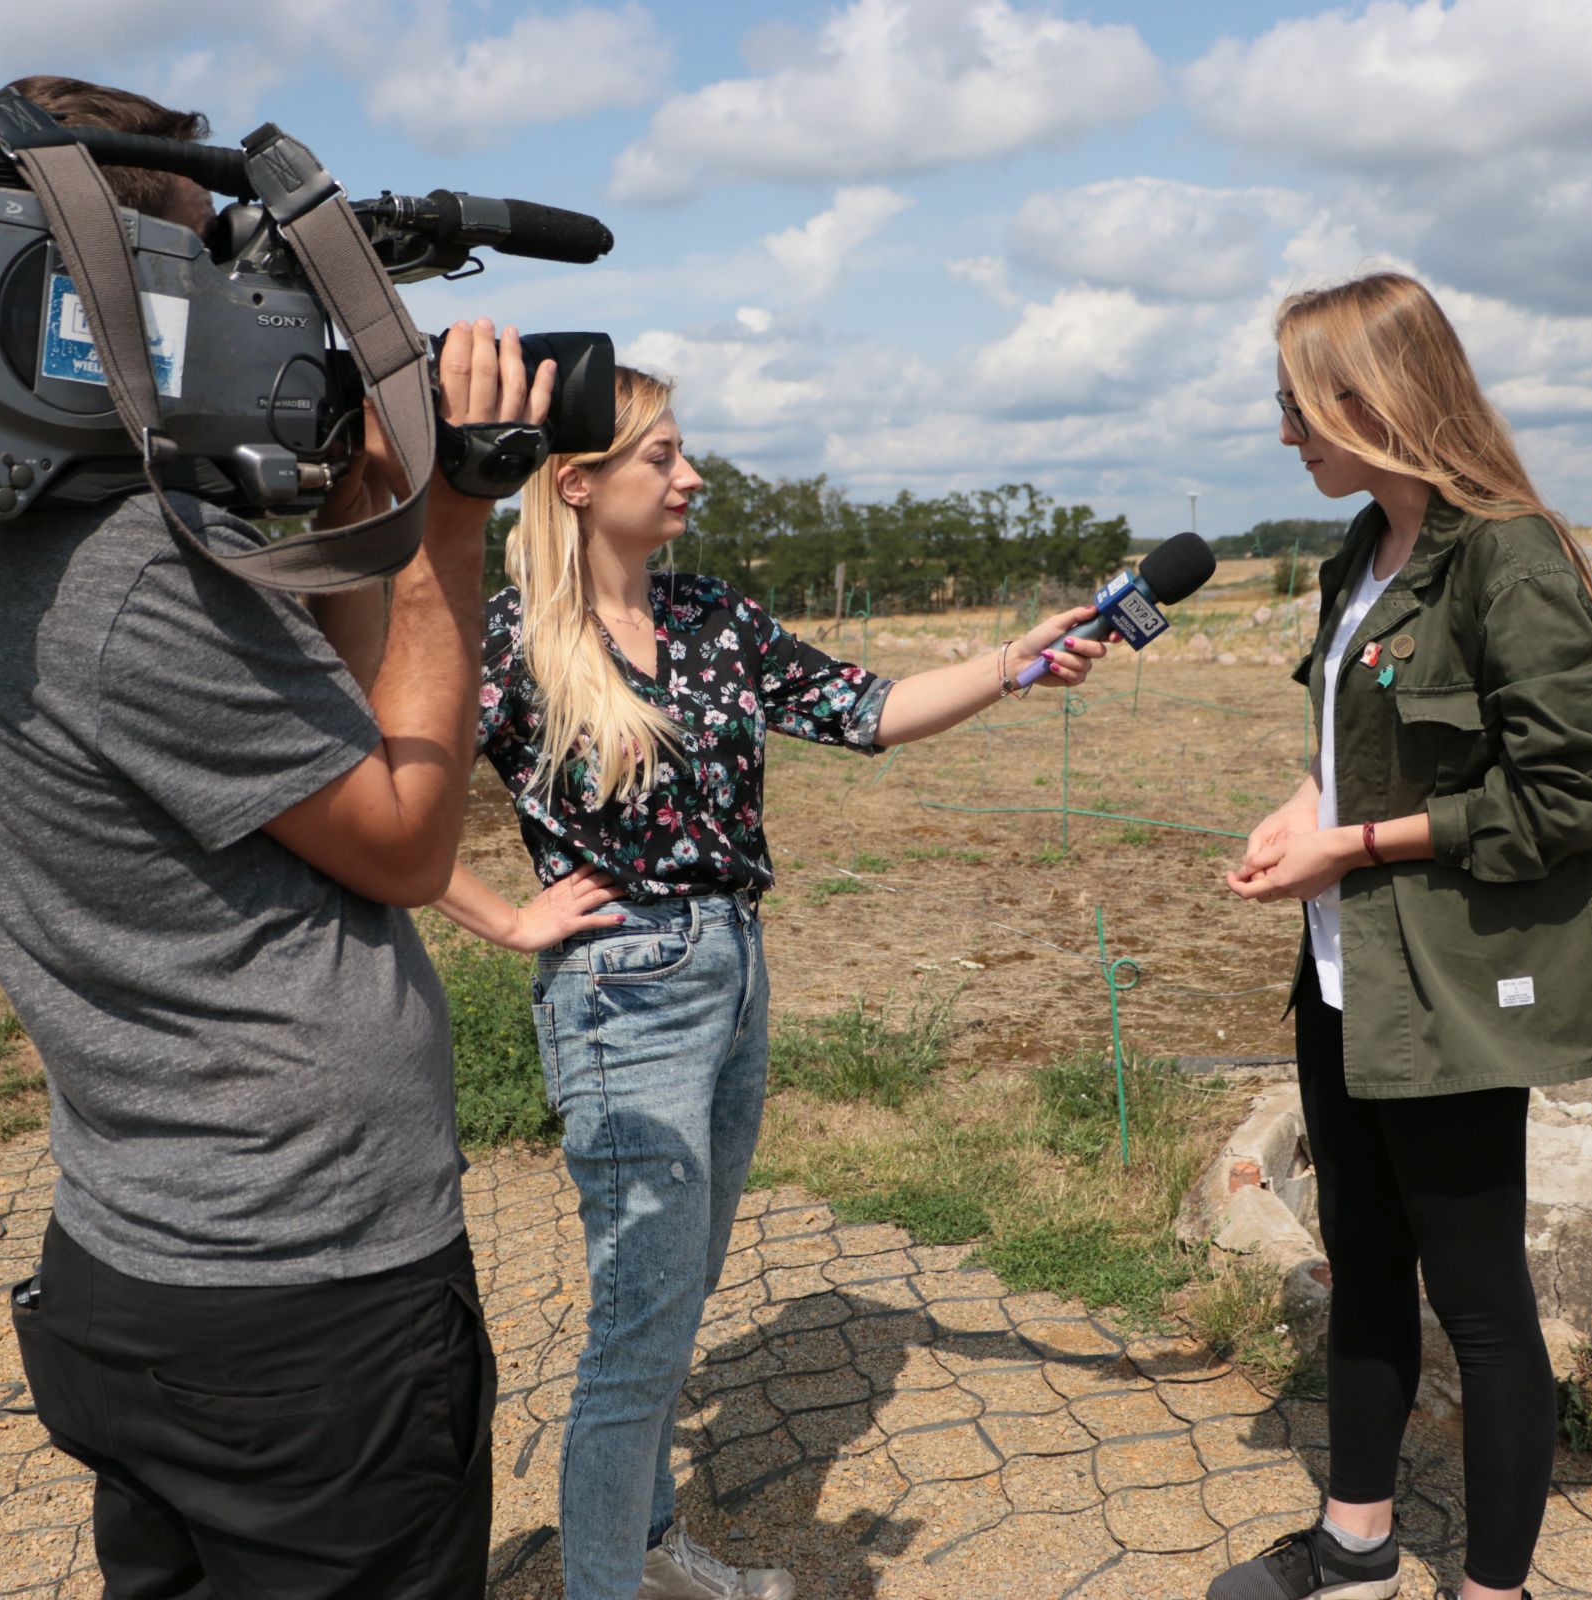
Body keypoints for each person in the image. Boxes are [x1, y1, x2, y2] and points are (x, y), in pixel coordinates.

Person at [0, 76, 552, 1599]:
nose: (251, 318)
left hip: (149, 1259)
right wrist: (454, 531)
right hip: (300, 1306)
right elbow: (402, 839)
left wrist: (362, 502)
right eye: (216, 272)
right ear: (119, 298)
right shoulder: (131, 572)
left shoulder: (7, 531)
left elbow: (316, 733)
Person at [429, 365, 1109, 1600]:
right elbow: (391, 795)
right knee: (637, 1336)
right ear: (575, 484)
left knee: (675, 1298)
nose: (692, 476)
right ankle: (605, 1585)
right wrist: (506, 918)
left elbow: (869, 707)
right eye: (663, 457)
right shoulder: (511, 635)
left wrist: (1013, 661)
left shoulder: (710, 618)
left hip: (735, 969)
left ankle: (642, 1555)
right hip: (623, 994)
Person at [1218, 273, 1592, 1600]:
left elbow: (1571, 793)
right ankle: (1355, 1547)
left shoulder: (1508, 555)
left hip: (1446, 992)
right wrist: (1304, 806)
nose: (1285, 433)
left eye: (1298, 404)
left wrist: (1350, 846)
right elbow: (1355, 746)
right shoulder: (1360, 551)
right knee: (1364, 1264)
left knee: (1482, 1307)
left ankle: (1493, 1588)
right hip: (1344, 980)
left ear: (1377, 397)